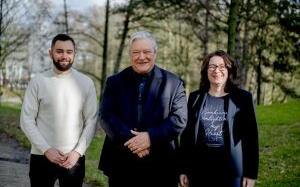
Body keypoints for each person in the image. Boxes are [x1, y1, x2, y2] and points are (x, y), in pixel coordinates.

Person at [98, 30, 188, 187]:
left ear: (155, 53)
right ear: (130, 54)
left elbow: (179, 119)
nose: (141, 57)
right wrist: (133, 141)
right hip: (122, 162)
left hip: (161, 163)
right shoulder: (114, 82)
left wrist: (150, 137)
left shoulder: (174, 82)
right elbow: (106, 115)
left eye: (146, 52)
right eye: (136, 52)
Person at [20, 34, 98, 187]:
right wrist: (46, 149)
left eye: (69, 52)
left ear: (74, 54)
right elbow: (26, 120)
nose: (64, 56)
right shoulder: (38, 81)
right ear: (51, 53)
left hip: (73, 159)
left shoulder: (85, 83)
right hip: (41, 156)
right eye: (59, 51)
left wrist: (77, 152)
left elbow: (92, 120)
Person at [179, 50, 259, 187]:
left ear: (229, 70)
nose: (217, 70)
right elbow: (186, 136)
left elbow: (251, 138)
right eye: (212, 66)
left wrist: (250, 174)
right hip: (199, 171)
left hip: (232, 171)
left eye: (222, 66)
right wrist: (183, 169)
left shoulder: (243, 98)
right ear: (206, 70)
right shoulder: (195, 98)